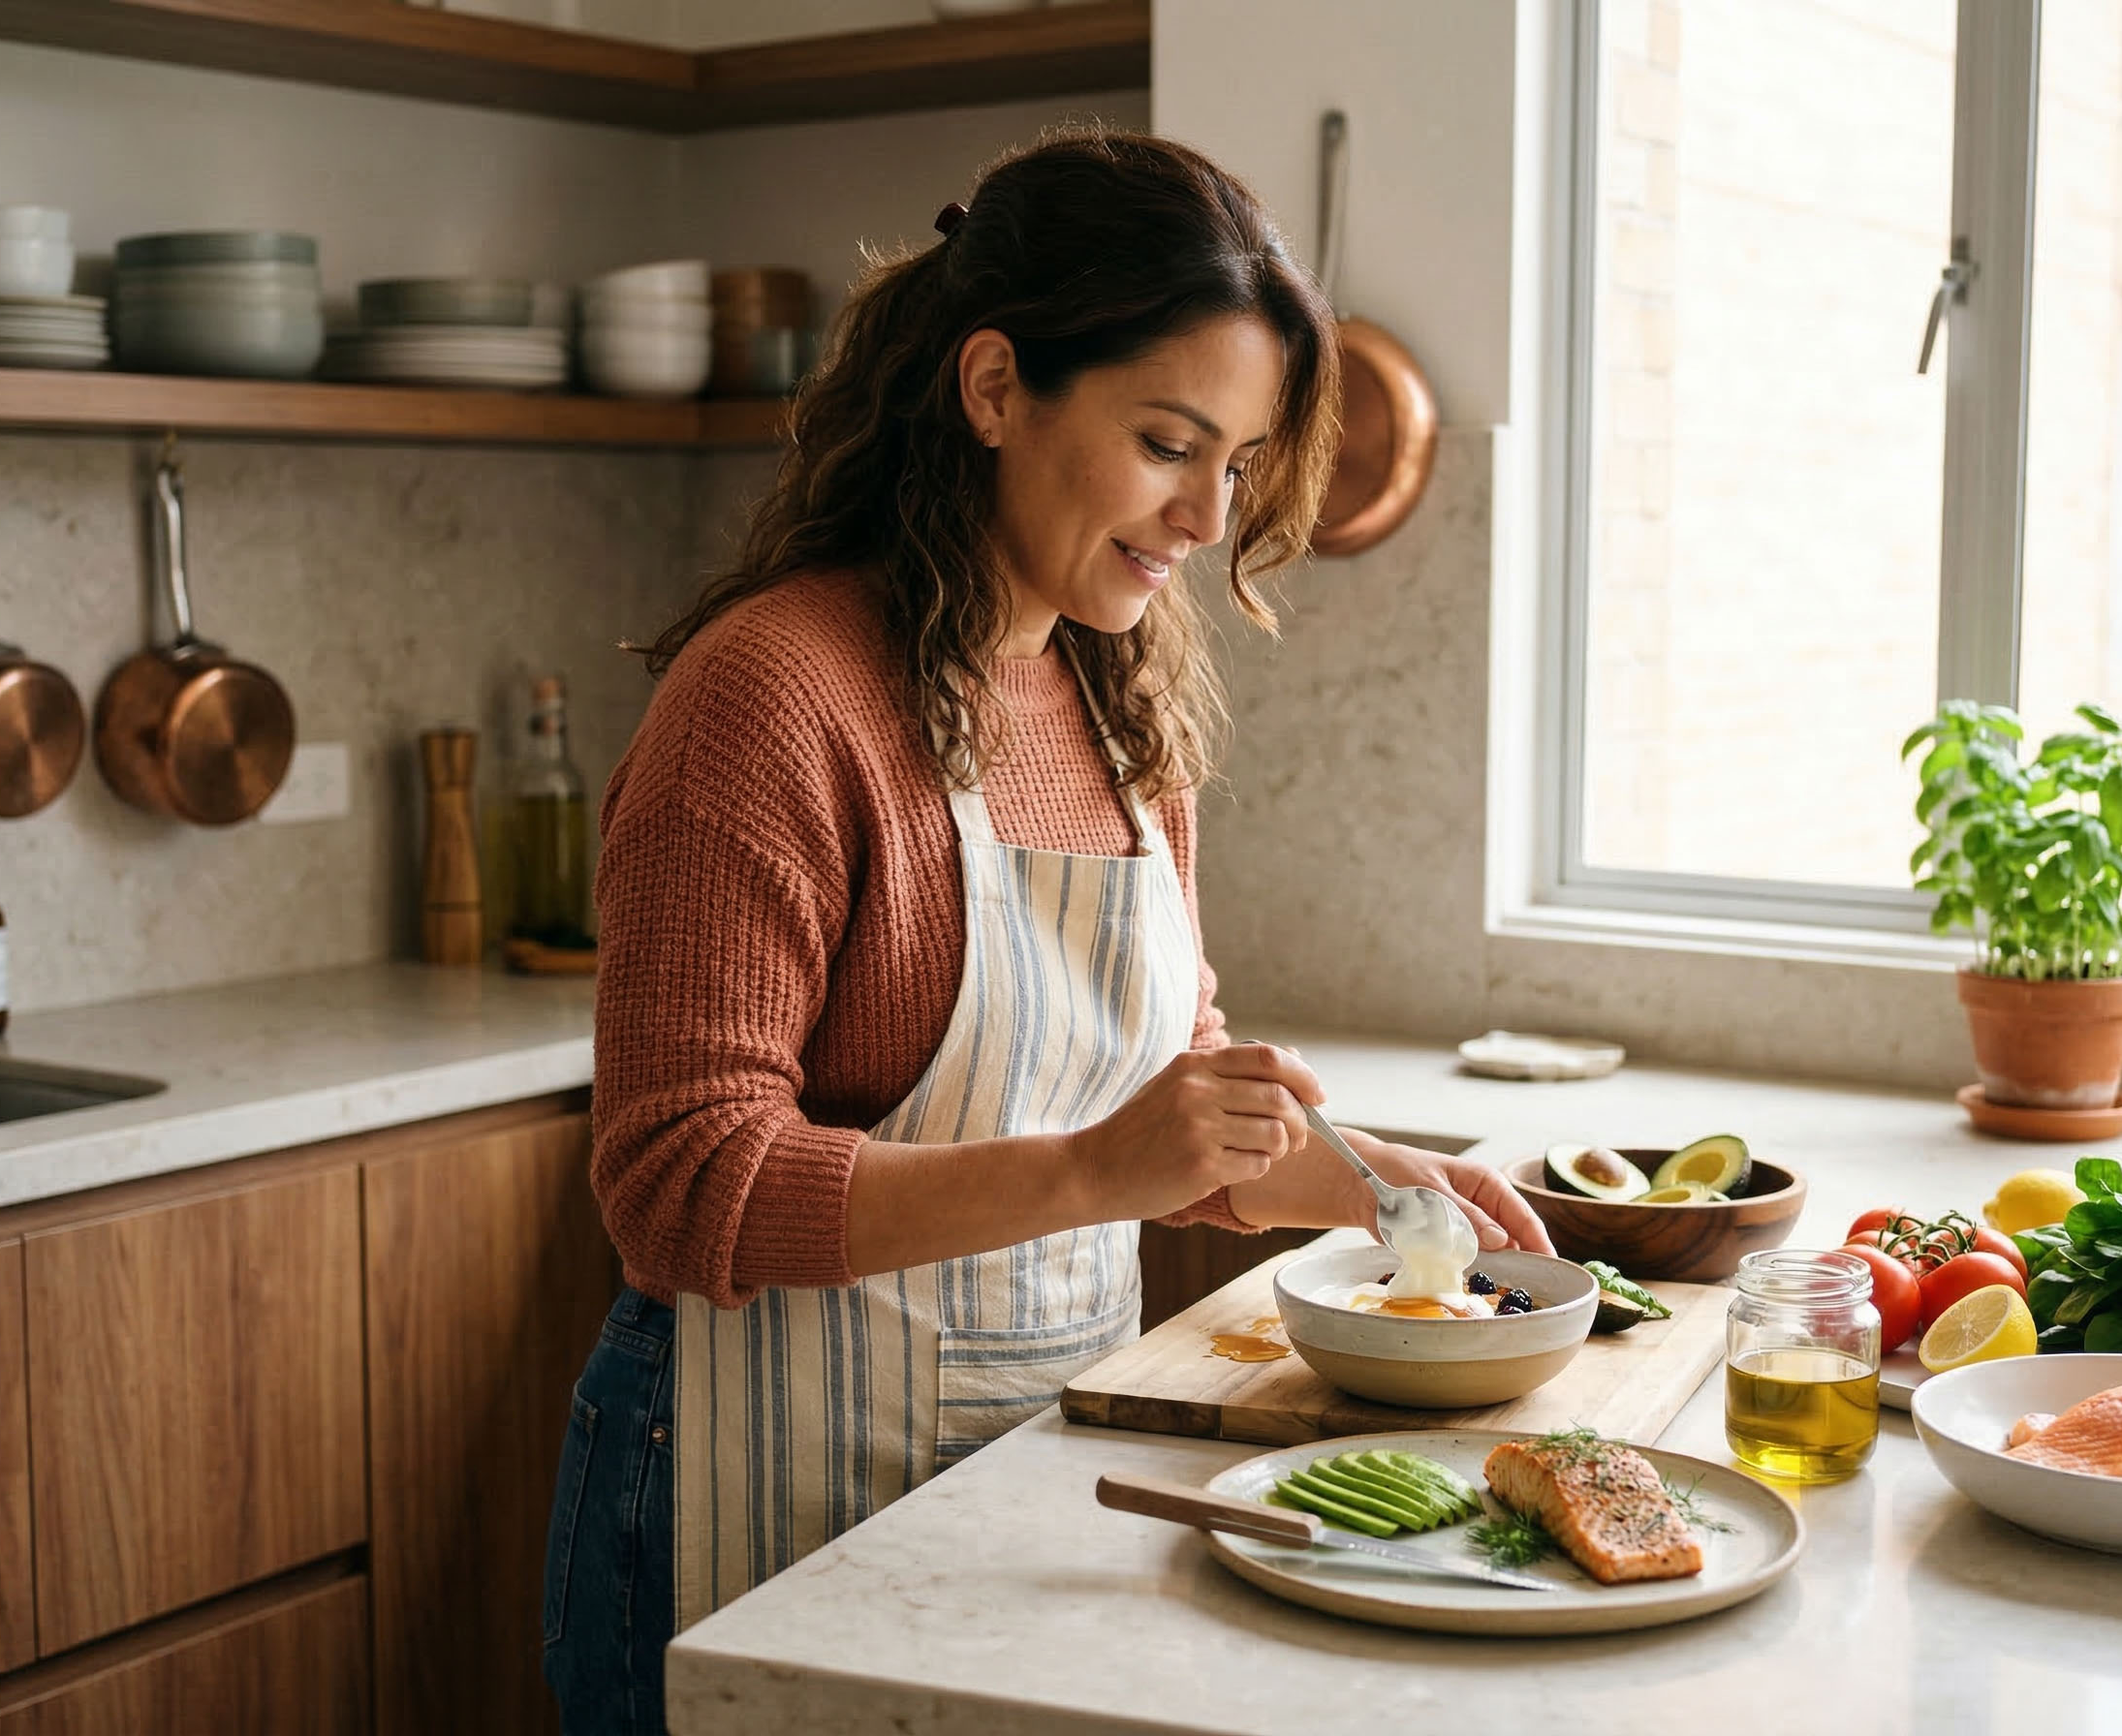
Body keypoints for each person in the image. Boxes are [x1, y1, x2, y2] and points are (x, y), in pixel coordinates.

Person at [542, 127, 1551, 1735]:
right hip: (747, 1487)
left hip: (1026, 1478)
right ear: (998, 387)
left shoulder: (1115, 701)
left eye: (1238, 463)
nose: (1209, 516)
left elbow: (1169, 1093)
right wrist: (1092, 1178)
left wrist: (1364, 1183)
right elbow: (677, 1188)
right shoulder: (774, 696)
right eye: (1170, 442)